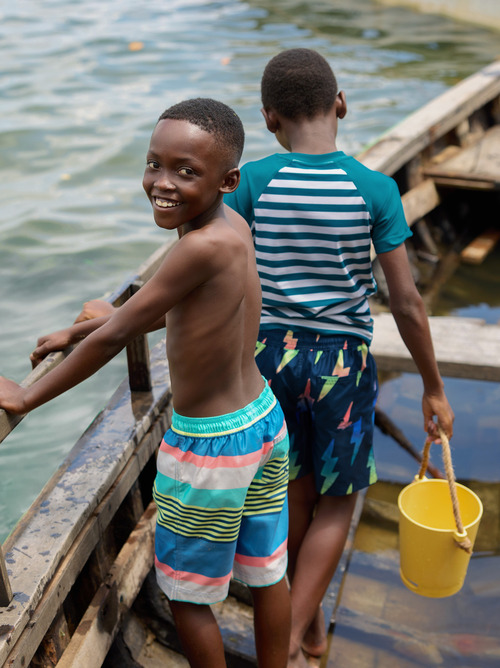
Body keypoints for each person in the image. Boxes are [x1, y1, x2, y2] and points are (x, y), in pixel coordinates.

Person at [0, 98, 291, 668]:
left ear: (228, 179)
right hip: (261, 422)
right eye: (154, 163)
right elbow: (172, 309)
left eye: (186, 172)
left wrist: (28, 397)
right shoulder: (230, 227)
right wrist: (78, 329)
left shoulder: (197, 247)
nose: (162, 183)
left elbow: (117, 337)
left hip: (211, 447)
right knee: (267, 574)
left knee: (185, 595)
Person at [223, 49, 455, 667]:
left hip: (267, 358)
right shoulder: (374, 190)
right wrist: (433, 386)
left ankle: (309, 629)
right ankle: (290, 640)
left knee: (291, 494)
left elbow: (215, 265)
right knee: (337, 502)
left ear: (270, 119)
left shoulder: (251, 181)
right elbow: (405, 301)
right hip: (341, 366)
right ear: (341, 104)